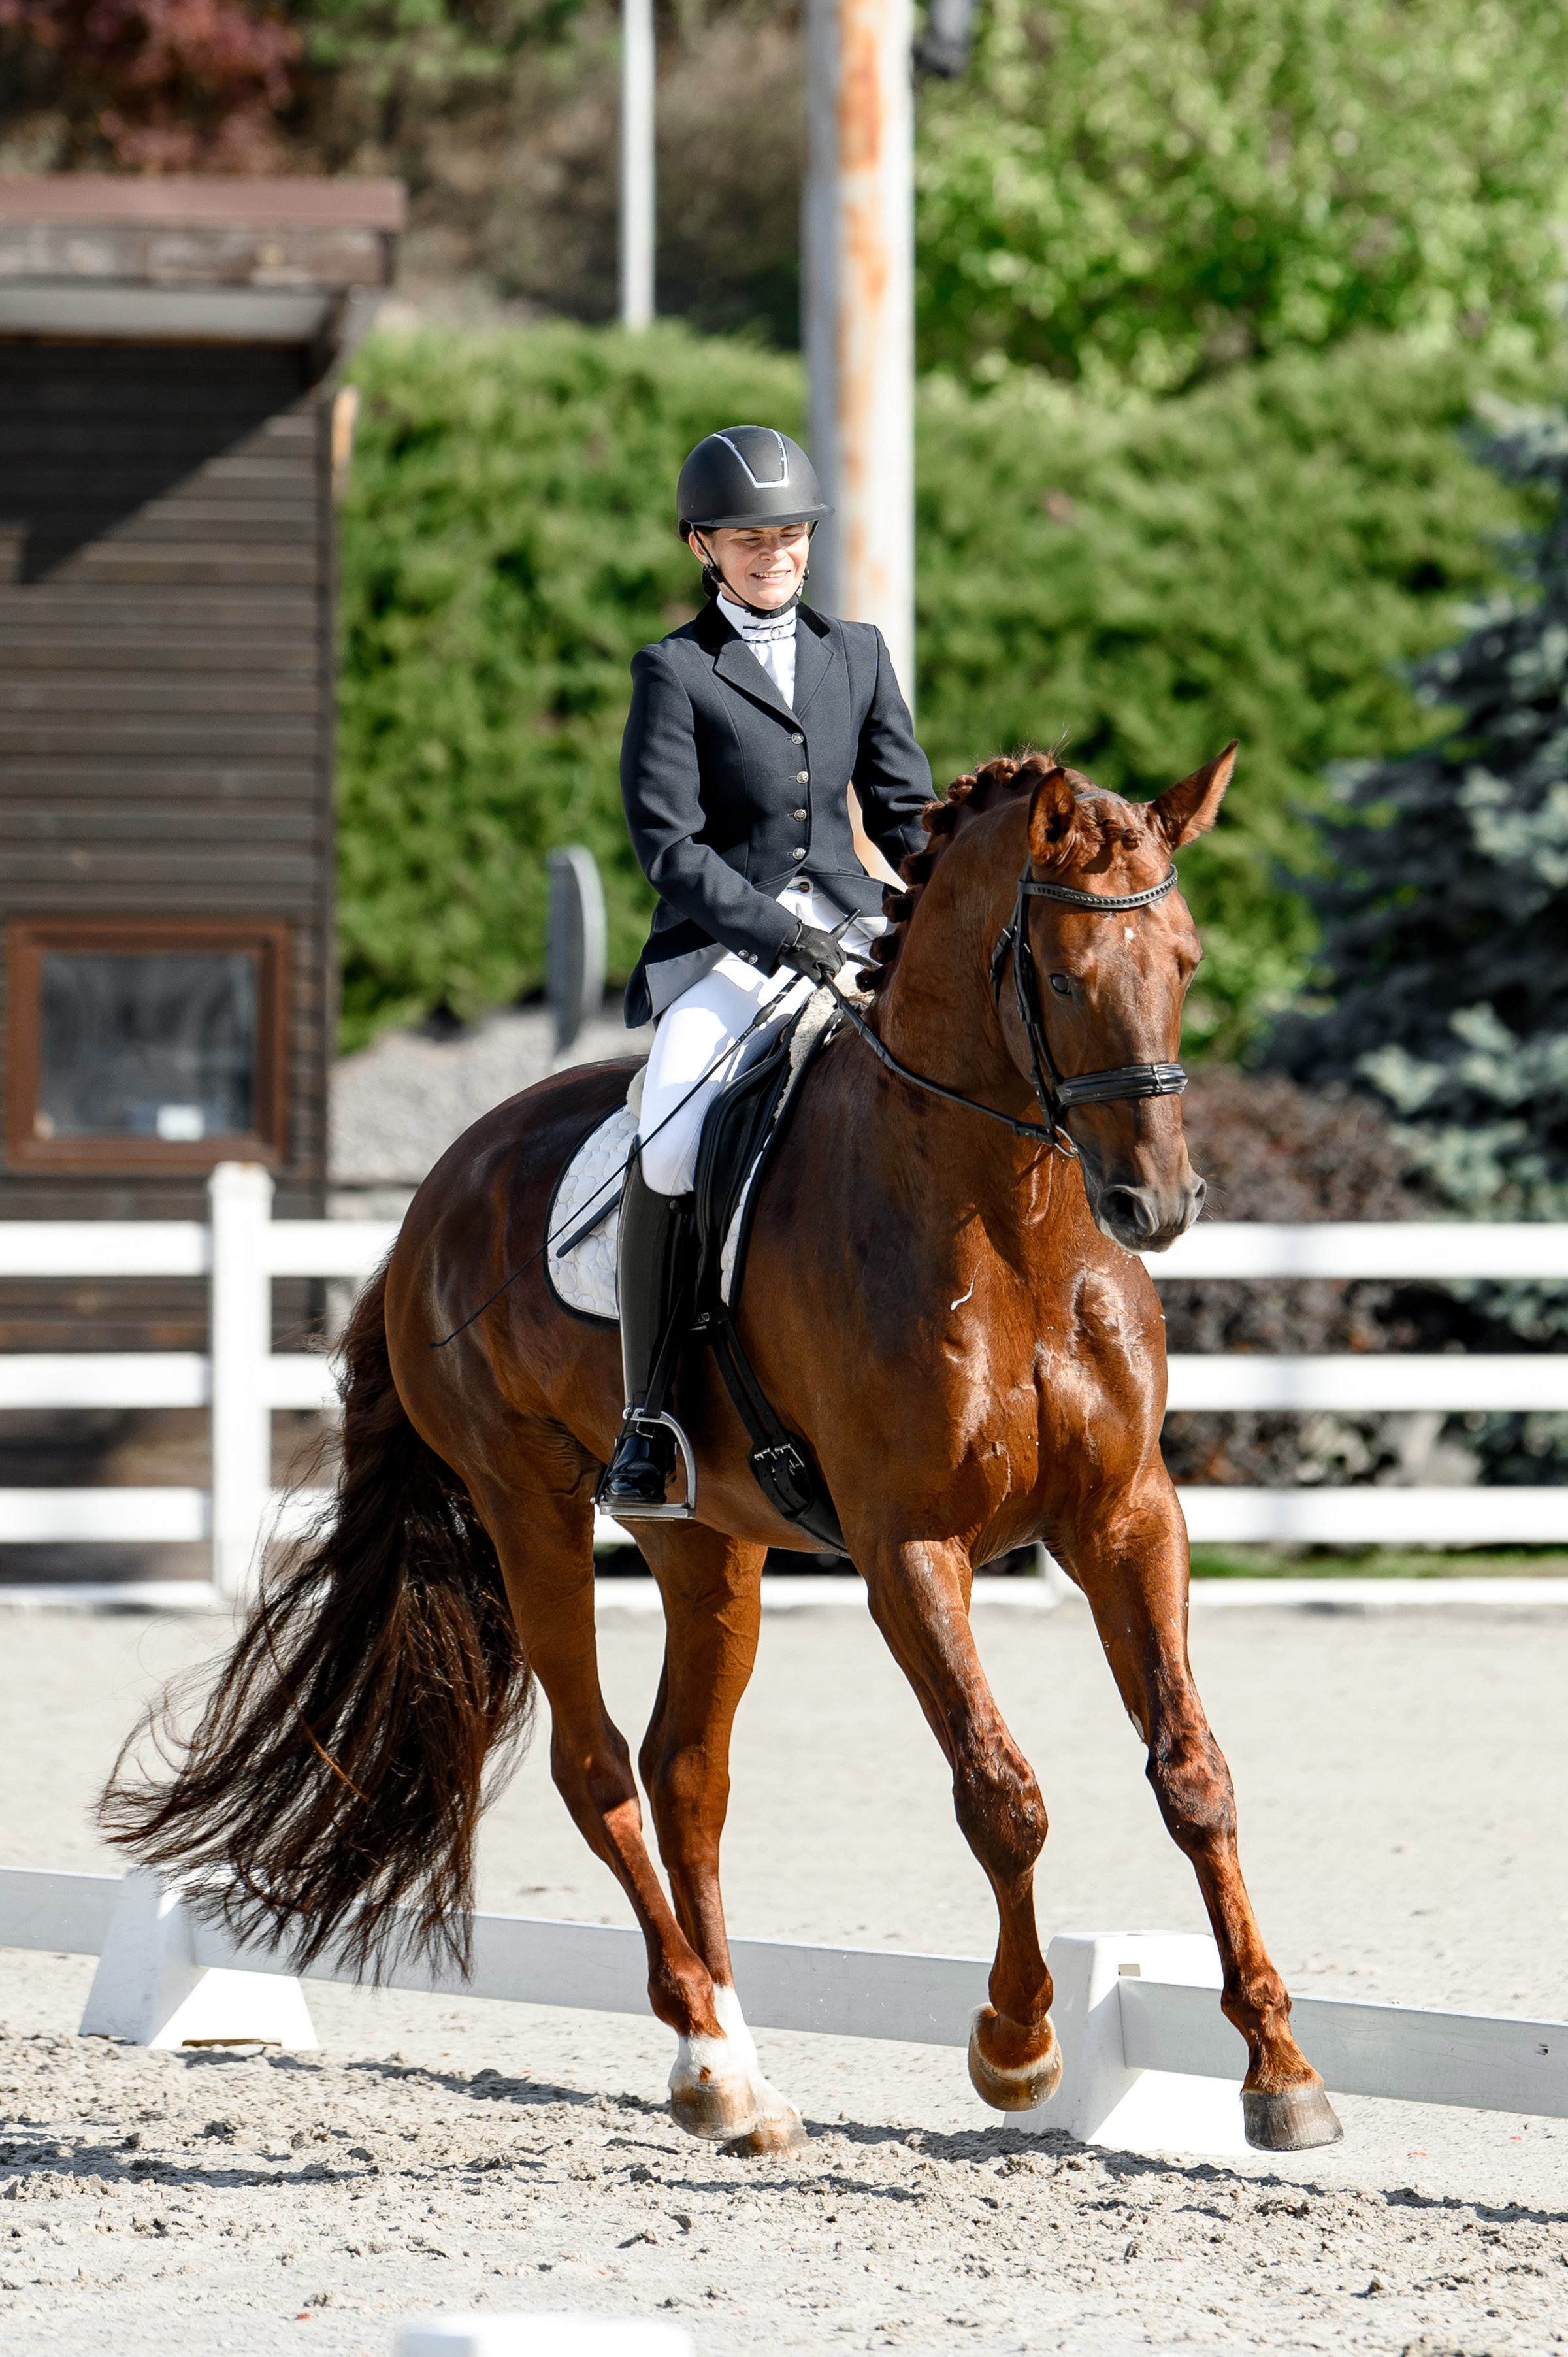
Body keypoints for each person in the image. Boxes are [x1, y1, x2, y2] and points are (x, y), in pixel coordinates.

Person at [598, 423, 934, 1512]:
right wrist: (788, 938)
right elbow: (671, 848)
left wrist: (937, 903)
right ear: (703, 546)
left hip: (855, 919)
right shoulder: (675, 670)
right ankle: (648, 1417)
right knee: (671, 1131)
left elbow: (902, 813)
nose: (776, 555)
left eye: (790, 536)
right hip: (728, 952)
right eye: (751, 540)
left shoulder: (859, 653)